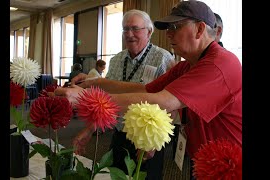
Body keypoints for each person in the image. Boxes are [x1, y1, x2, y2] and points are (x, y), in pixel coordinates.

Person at [56, 1, 241, 179]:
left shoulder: (219, 63)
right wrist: (91, 83)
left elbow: (163, 101)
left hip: (230, 165)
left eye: (175, 27)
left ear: (200, 29)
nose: (168, 34)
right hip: (206, 159)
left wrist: (86, 98)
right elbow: (144, 89)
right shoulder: (188, 65)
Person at [68, 9, 175, 180]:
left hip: (147, 139)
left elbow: (171, 104)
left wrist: (152, 143)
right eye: (125, 29)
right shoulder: (116, 60)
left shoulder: (163, 58)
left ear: (149, 31)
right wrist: (89, 129)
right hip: (119, 136)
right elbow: (106, 101)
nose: (129, 34)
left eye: (135, 28)